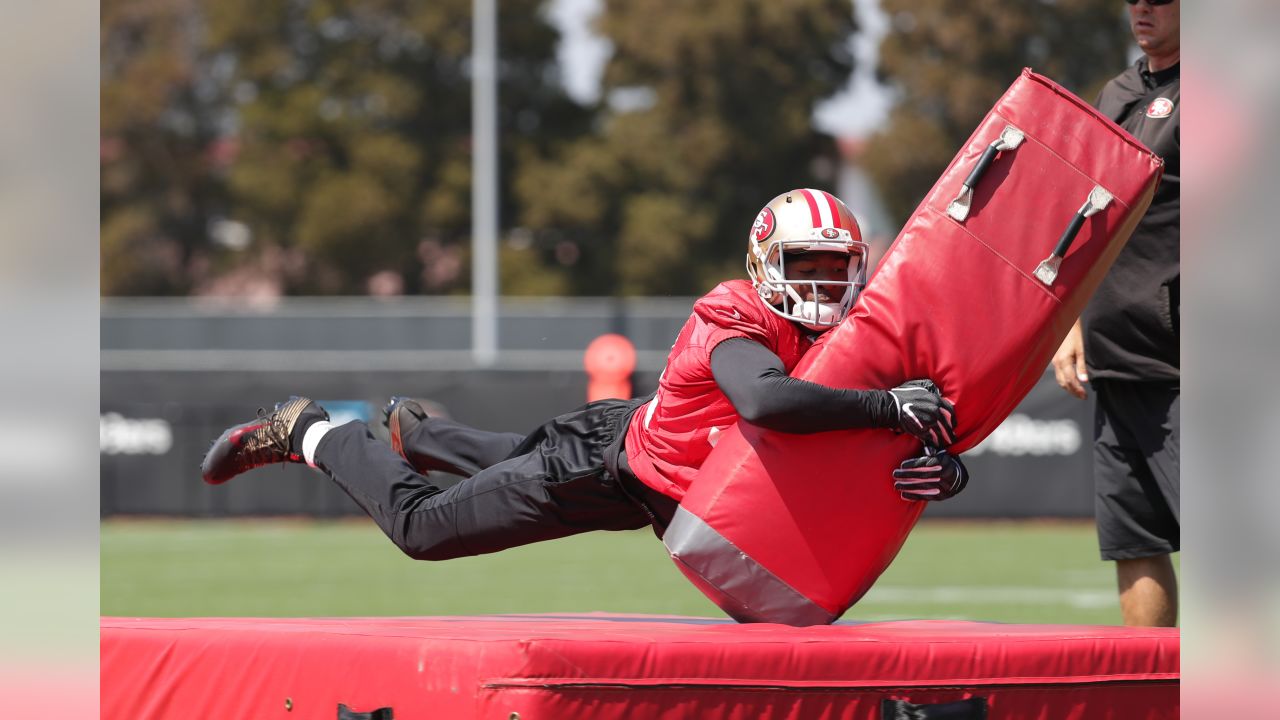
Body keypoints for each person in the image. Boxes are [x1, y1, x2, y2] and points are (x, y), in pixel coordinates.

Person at [202, 188, 968, 565]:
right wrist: (884, 410)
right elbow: (767, 402)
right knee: (425, 531)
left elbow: (859, 430)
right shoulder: (737, 312)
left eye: (837, 267)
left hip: (632, 459)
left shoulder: (850, 343)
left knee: (510, 459)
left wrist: (939, 466)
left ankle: (422, 431)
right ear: (764, 267)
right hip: (601, 469)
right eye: (805, 265)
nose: (824, 283)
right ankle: (315, 430)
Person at [1051, 0, 1179, 627]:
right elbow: (1087, 219)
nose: (1143, 8)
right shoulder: (1119, 92)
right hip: (1116, 359)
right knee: (1136, 542)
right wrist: (1072, 322)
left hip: (1189, 368)